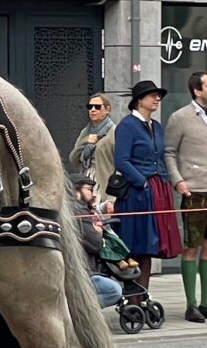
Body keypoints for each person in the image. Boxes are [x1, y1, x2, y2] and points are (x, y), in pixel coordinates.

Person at [112, 80, 182, 302]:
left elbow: (160, 156)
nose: (157, 99)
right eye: (152, 95)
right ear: (139, 100)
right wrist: (141, 182)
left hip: (158, 190)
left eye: (158, 96)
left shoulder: (157, 126)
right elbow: (121, 161)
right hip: (137, 193)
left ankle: (143, 296)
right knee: (136, 243)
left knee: (150, 245)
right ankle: (132, 298)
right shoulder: (127, 125)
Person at [164, 71, 207, 323]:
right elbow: (168, 152)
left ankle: (206, 302)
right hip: (194, 191)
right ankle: (191, 304)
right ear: (197, 91)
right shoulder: (180, 118)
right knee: (191, 247)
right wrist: (178, 181)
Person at [71, 177, 123, 309]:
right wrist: (98, 231)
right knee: (114, 290)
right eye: (89, 190)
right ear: (76, 191)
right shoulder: (78, 210)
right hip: (83, 274)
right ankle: (80, 310)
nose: (93, 194)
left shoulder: (79, 207)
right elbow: (95, 244)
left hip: (82, 271)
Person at [69, 92, 116, 200]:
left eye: (98, 107)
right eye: (90, 107)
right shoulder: (85, 132)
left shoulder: (114, 132)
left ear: (107, 110)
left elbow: (120, 166)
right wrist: (85, 141)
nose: (93, 110)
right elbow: (73, 159)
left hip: (104, 184)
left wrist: (112, 196)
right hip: (85, 182)